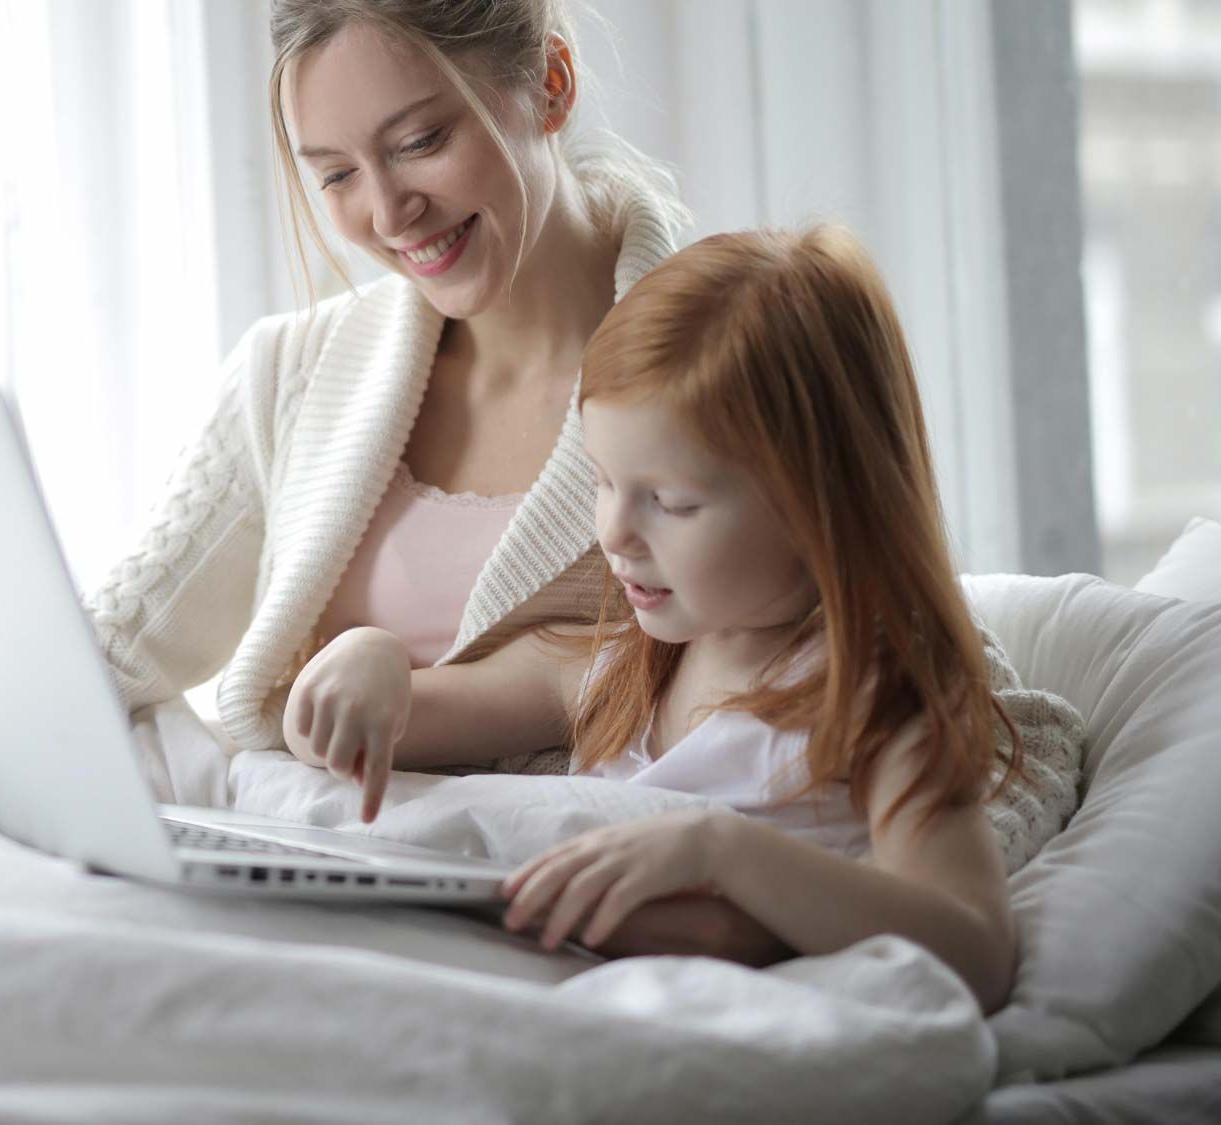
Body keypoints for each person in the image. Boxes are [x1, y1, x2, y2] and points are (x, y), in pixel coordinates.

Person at [0, 0, 782, 960]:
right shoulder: (294, 373)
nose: (386, 211)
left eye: (421, 140)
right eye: (333, 173)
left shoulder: (735, 352)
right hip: (311, 860)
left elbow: (791, 662)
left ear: (548, 85)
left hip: (557, 883)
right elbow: (106, 658)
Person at [288, 226, 1023, 1011]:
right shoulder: (611, 665)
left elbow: (974, 949)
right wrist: (367, 660)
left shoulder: (874, 700)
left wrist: (723, 851)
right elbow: (353, 739)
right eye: (603, 481)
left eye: (669, 502)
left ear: (821, 505)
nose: (612, 533)